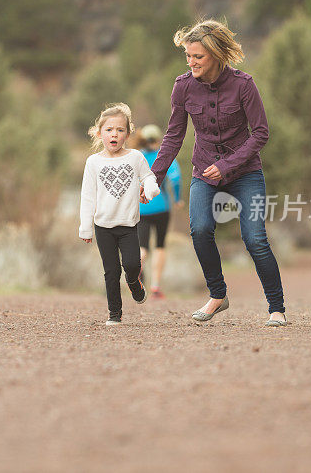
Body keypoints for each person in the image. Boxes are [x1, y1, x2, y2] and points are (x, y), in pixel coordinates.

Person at [150, 19, 288, 326]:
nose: (191, 62)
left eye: (197, 56)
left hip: (246, 173)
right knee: (199, 230)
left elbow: (261, 134)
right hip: (203, 172)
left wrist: (226, 165)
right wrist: (153, 178)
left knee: (254, 239)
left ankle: (276, 308)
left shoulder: (243, 85)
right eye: (188, 56)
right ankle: (218, 295)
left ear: (216, 54)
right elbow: (174, 136)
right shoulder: (182, 86)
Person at [79, 103, 160, 325]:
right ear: (99, 133)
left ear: (127, 133)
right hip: (103, 226)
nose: (114, 134)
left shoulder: (135, 158)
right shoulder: (93, 162)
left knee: (132, 265)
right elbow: (88, 196)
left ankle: (134, 282)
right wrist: (85, 226)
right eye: (109, 130)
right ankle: (115, 314)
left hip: (128, 225)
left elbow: (148, 178)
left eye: (120, 130)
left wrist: (151, 189)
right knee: (111, 271)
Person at [137, 124, 183, 299]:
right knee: (160, 246)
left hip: (141, 207)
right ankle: (155, 285)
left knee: (143, 247)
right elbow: (176, 178)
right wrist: (177, 198)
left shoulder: (137, 157)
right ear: (158, 140)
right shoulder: (164, 157)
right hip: (161, 206)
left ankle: (136, 273)